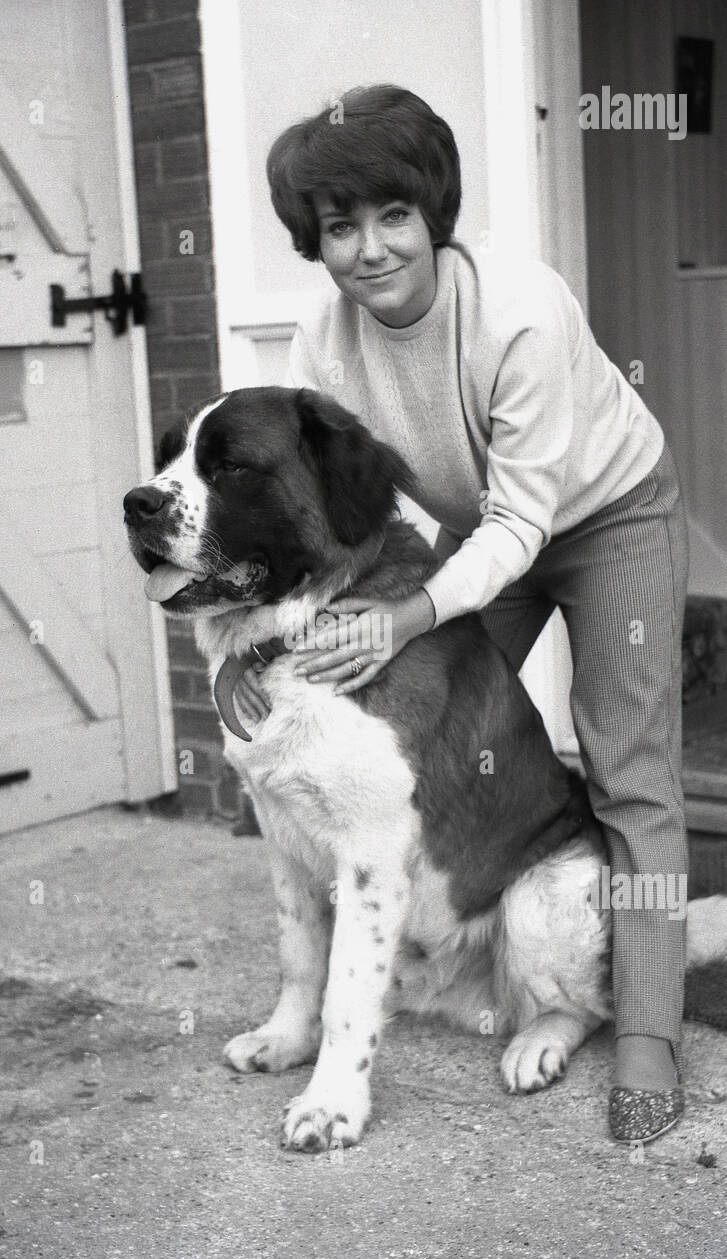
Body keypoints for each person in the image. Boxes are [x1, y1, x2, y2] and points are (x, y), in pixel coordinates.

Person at [239, 84, 689, 1143]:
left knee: (627, 764)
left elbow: (525, 516)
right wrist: (289, 635)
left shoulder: (522, 310)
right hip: (477, 533)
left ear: (432, 213)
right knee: (449, 733)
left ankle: (645, 1034)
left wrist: (402, 618)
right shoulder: (323, 343)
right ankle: (450, 942)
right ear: (315, 241)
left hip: (603, 512)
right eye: (339, 227)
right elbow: (335, 513)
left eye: (392, 215)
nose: (370, 248)